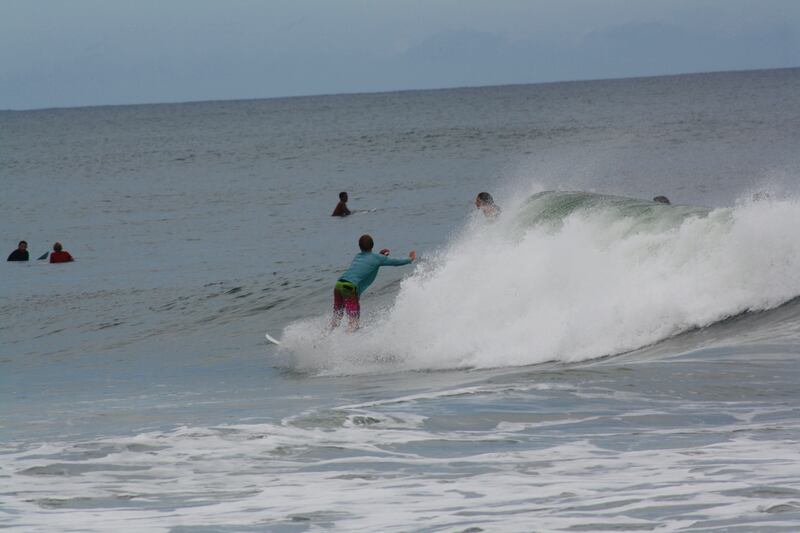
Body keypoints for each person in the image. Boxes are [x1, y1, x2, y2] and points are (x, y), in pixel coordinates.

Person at [332, 234, 416, 331]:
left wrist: (380, 256)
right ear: (372, 245)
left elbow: (366, 263)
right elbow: (395, 262)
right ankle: (347, 343)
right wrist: (410, 259)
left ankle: (323, 338)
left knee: (336, 318)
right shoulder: (377, 258)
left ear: (359, 246)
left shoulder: (357, 256)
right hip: (349, 288)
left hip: (339, 285)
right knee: (354, 322)